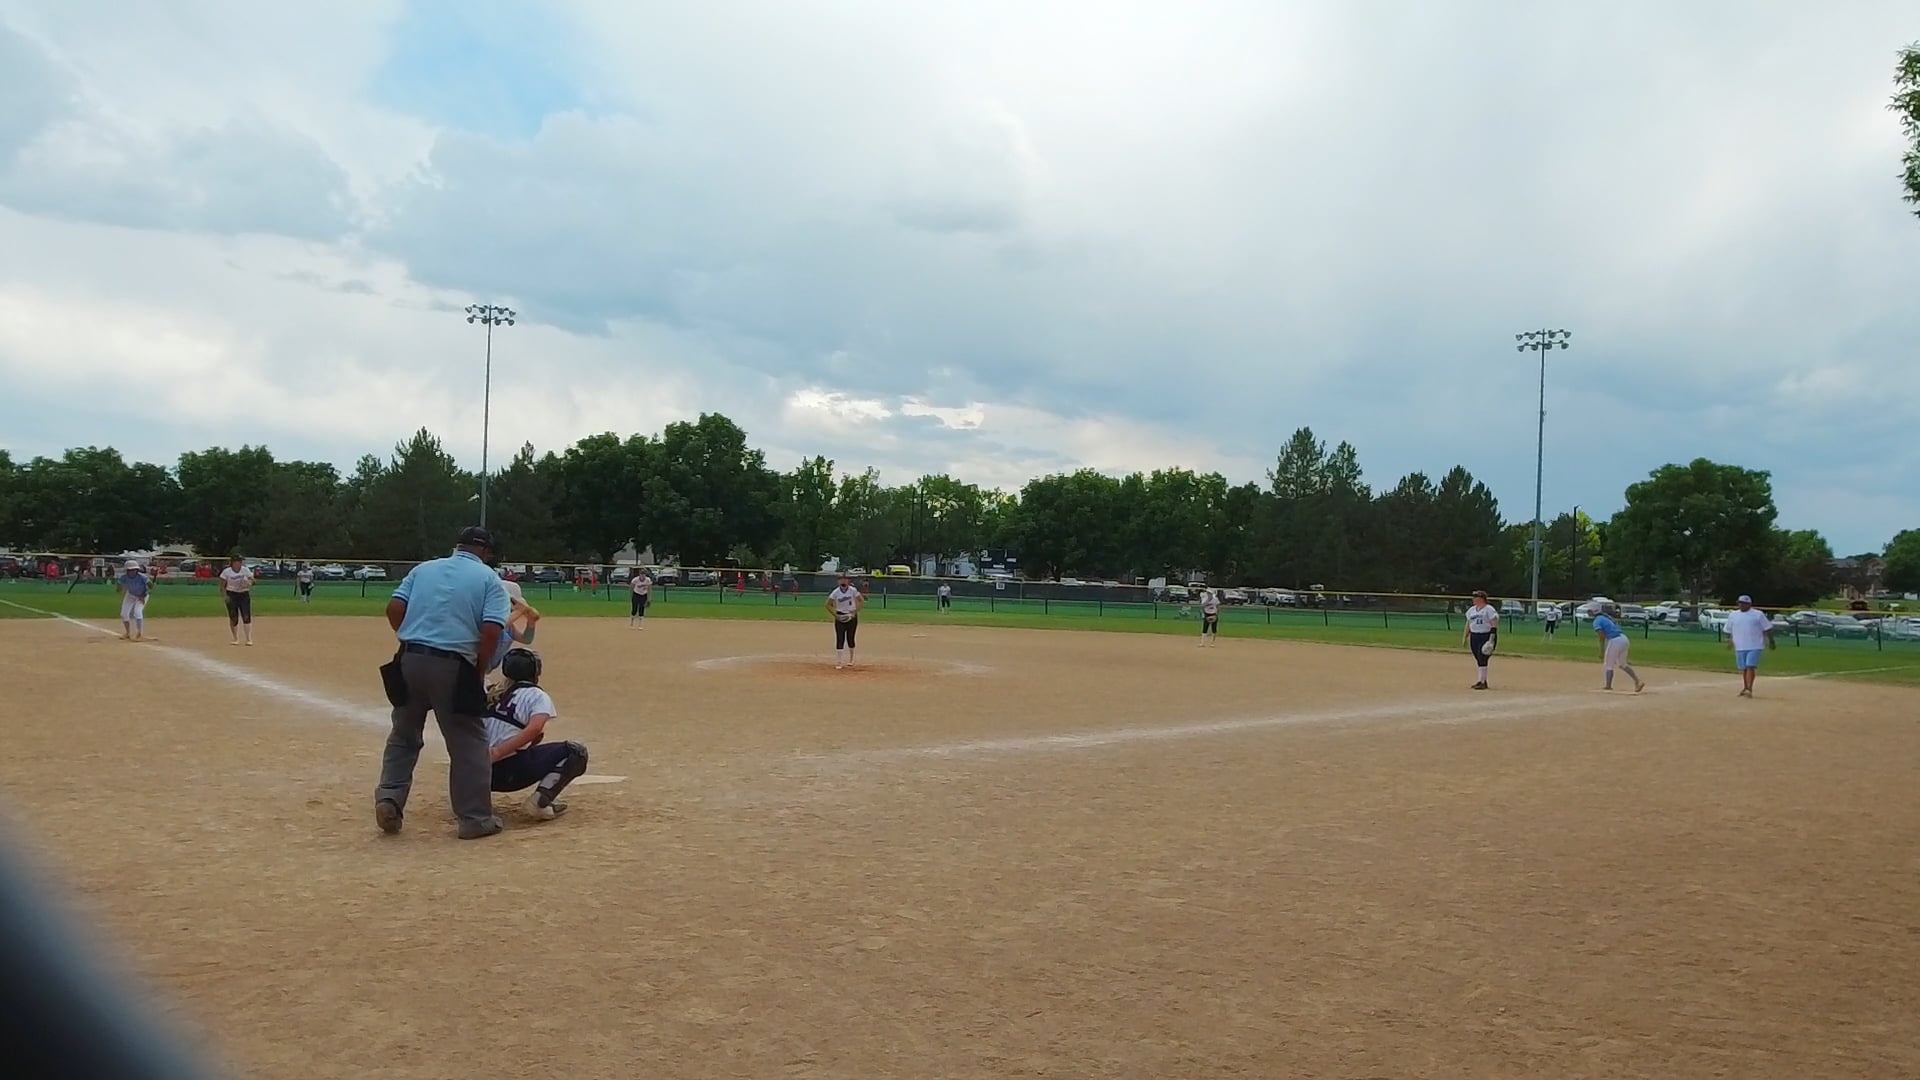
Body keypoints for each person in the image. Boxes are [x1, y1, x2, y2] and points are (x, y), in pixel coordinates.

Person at [374, 526, 512, 840]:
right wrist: (478, 670)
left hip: (410, 658)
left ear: (458, 546)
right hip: (454, 664)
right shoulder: (490, 579)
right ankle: (475, 819)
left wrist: (409, 636)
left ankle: (389, 798)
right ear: (486, 552)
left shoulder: (424, 569)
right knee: (468, 741)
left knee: (403, 735)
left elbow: (394, 608)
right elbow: (491, 630)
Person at [485, 650, 589, 820]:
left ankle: (469, 799)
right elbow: (534, 728)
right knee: (576, 752)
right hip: (507, 774)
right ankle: (540, 803)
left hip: (473, 772)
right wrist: (498, 752)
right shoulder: (536, 695)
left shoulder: (490, 692)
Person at [1724, 594, 1776, 698]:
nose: (1741, 605)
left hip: (1755, 645)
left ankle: (1749, 689)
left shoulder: (1758, 614)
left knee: (1750, 666)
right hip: (1740, 645)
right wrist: (1729, 641)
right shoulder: (1733, 615)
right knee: (1744, 668)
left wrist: (1771, 641)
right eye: (1740, 603)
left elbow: (1767, 628)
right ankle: (1745, 687)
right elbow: (1728, 630)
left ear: (1749, 604)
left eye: (1744, 603)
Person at [1587, 601, 1645, 693]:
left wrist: (1601, 650)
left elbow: (1601, 637)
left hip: (1615, 641)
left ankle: (1608, 686)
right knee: (1622, 664)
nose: (1588, 612)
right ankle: (1638, 681)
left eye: (1589, 610)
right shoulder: (1606, 617)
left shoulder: (1597, 621)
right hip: (1623, 638)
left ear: (1593, 611)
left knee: (1608, 664)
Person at [826, 572, 864, 669]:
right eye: (841, 579)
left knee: (850, 638)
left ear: (848, 581)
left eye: (845, 579)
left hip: (851, 616)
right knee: (840, 638)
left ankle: (851, 659)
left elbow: (861, 600)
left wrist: (855, 612)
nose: (843, 581)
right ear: (838, 581)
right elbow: (827, 605)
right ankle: (839, 661)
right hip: (840, 616)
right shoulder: (835, 592)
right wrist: (836, 615)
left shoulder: (852, 590)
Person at [1462, 589, 1498, 689]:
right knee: (1478, 658)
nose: (1473, 599)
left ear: (1482, 599)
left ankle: (1482, 682)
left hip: (1486, 636)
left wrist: (1491, 639)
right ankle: (1482, 680)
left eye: (1476, 597)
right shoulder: (1471, 610)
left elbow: (1494, 623)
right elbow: (1468, 624)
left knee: (1482, 657)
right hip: (1474, 636)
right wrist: (1465, 637)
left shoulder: (1489, 609)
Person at [219, 555, 256, 646]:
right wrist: (225, 596)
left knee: (246, 616)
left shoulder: (245, 570)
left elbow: (253, 581)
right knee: (233, 617)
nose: (238, 563)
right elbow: (222, 586)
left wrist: (250, 582)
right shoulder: (227, 572)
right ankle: (235, 638)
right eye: (237, 562)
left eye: (240, 562)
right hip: (232, 594)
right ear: (232, 562)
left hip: (244, 594)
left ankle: (248, 639)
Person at [114, 561, 151, 641]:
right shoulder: (123, 577)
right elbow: (118, 589)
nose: (131, 572)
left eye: (133, 570)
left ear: (137, 570)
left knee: (137, 612)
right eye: (129, 570)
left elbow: (150, 586)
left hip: (142, 595)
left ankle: (139, 634)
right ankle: (127, 633)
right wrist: (119, 586)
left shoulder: (142, 577)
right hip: (130, 595)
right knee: (124, 614)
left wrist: (143, 595)